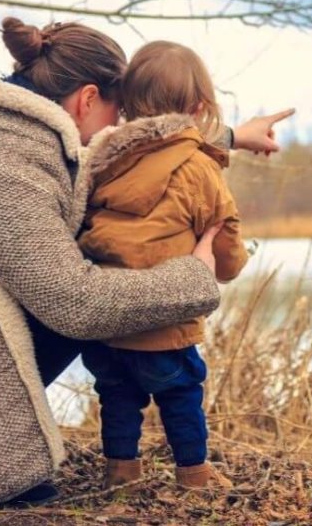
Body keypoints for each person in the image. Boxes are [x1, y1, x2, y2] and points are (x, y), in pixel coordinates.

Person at [0, 17, 293, 516]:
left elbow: (133, 151)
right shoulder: (2, 174)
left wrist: (228, 135)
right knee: (73, 275)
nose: (125, 127)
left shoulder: (10, 133)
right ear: (88, 99)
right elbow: (78, 304)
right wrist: (194, 277)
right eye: (122, 111)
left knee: (67, 259)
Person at [79, 41, 249, 492]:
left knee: (117, 396)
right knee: (181, 394)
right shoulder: (198, 167)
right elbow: (225, 244)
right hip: (165, 324)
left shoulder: (101, 160)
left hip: (107, 321)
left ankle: (121, 472)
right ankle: (194, 473)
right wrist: (230, 264)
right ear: (197, 107)